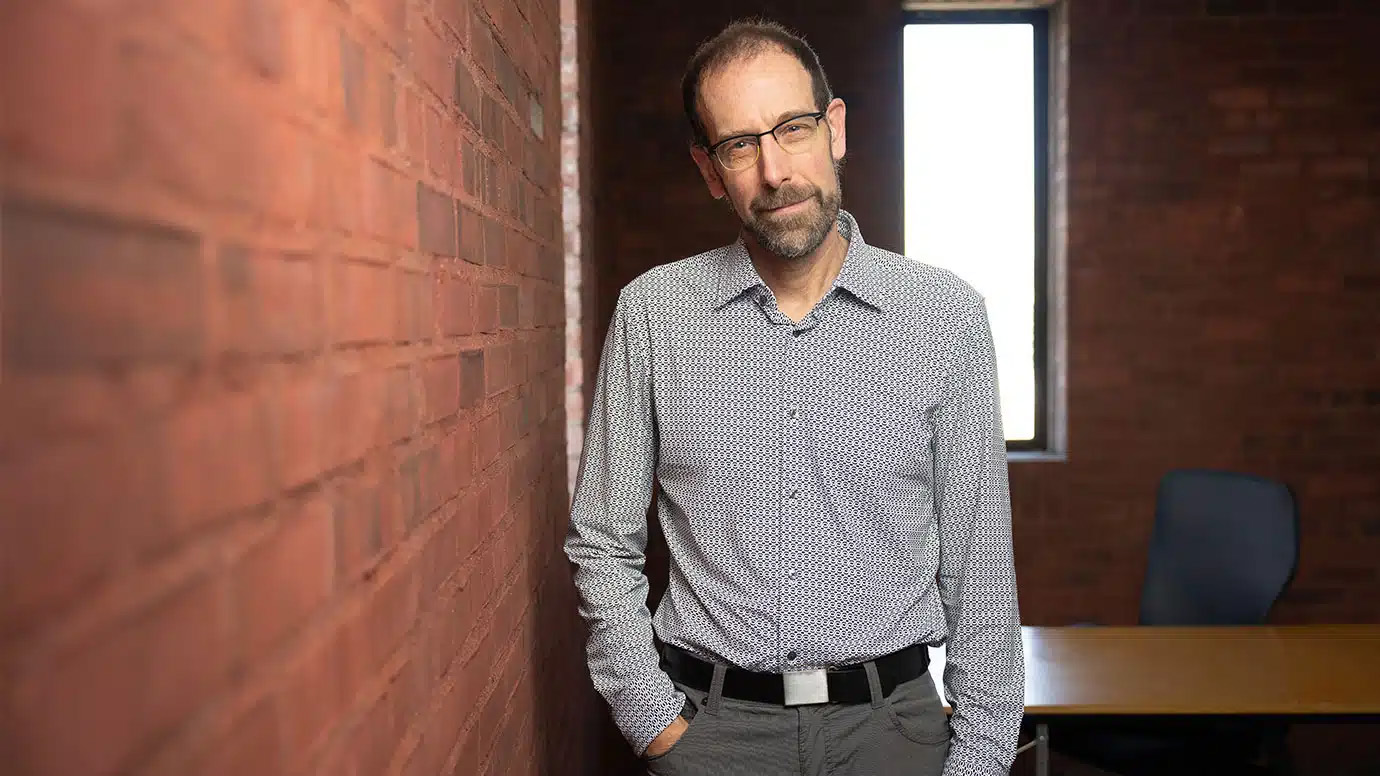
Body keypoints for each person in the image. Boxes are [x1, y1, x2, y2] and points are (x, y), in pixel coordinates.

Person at [564, 17, 1023, 776]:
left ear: (834, 129)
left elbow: (982, 570)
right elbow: (601, 540)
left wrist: (979, 759)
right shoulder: (654, 314)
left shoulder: (946, 318)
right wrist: (654, 722)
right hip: (711, 737)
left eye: (793, 128)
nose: (774, 170)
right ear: (711, 171)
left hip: (893, 737)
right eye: (740, 145)